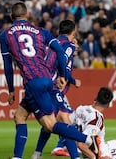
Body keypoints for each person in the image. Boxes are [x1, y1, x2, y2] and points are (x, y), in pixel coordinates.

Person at [0, 2, 99, 159]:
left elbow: (7, 65)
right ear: (28, 15)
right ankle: (19, 157)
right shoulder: (41, 31)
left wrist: (11, 90)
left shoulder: (5, 35)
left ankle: (89, 140)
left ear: (11, 16)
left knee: (51, 125)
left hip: (33, 82)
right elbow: (59, 50)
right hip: (46, 79)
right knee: (19, 116)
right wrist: (64, 75)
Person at [31, 20, 82, 159]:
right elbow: (63, 62)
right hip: (52, 86)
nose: (76, 46)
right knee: (66, 122)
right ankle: (74, 154)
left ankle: (37, 153)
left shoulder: (51, 42)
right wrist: (67, 78)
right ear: (74, 31)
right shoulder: (68, 45)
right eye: (76, 42)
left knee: (50, 122)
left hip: (41, 82)